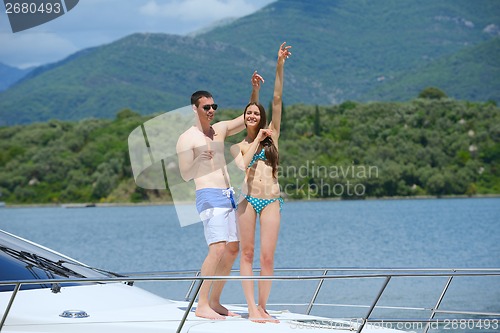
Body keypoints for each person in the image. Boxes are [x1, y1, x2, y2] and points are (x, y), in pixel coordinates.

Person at [176, 72, 264, 320]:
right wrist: (198, 161)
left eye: (214, 106)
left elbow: (248, 119)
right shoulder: (187, 138)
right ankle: (201, 304)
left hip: (228, 196)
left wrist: (254, 91)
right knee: (217, 250)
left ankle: (214, 301)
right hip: (208, 195)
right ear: (195, 108)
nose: (211, 110)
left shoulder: (219, 131)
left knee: (233, 249)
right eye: (206, 107)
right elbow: (184, 175)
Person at [236, 42, 292, 322]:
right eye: (249, 113)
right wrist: (255, 139)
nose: (252, 116)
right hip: (247, 201)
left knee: (266, 258)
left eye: (256, 113)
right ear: (244, 118)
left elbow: (277, 99)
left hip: (271, 200)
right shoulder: (240, 146)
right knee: (246, 254)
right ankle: (251, 309)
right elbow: (240, 167)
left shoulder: (273, 136)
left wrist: (279, 64)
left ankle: (263, 307)